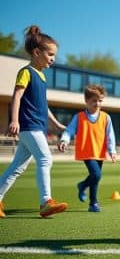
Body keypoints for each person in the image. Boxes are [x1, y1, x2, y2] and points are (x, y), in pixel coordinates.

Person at [0, 25, 67, 219]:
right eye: (51, 54)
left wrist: (56, 124)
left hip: (37, 127)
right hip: (28, 126)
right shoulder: (26, 72)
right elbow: (17, 96)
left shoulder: (42, 76)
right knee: (45, 159)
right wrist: (14, 120)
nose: (53, 59)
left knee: (16, 168)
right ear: (37, 52)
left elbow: (43, 105)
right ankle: (46, 202)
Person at [58, 84, 118, 212]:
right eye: (94, 101)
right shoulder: (79, 117)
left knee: (95, 177)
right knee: (96, 175)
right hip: (87, 151)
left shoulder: (106, 117)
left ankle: (92, 203)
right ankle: (83, 186)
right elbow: (69, 130)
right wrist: (64, 140)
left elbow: (110, 135)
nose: (97, 103)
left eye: (100, 101)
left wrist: (112, 151)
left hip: (99, 151)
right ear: (86, 101)